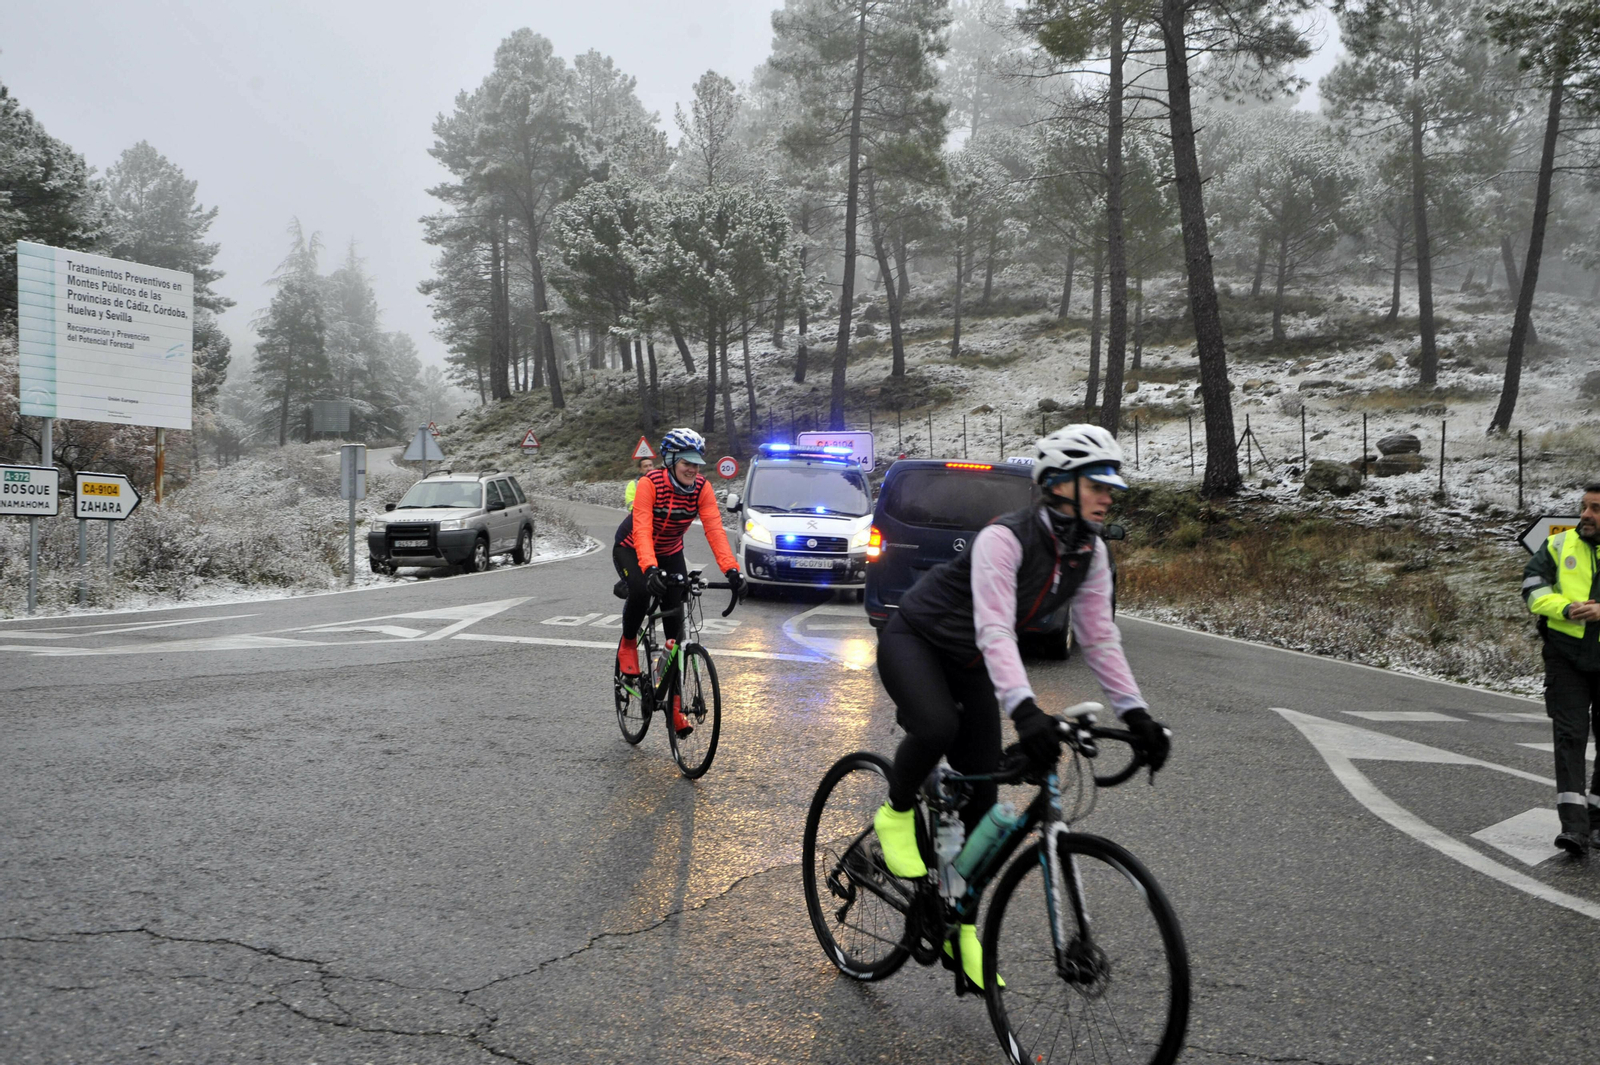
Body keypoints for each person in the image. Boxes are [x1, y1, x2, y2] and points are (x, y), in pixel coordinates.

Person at [870, 424, 1171, 989]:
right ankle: (895, 810)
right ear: (1058, 484)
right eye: (1099, 483)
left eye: (1113, 485)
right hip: (916, 639)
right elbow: (994, 633)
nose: (1111, 494)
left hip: (968, 664)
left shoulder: (1090, 552)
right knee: (936, 725)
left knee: (983, 803)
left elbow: (1100, 638)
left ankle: (959, 930)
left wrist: (1137, 715)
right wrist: (1027, 712)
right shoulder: (1004, 540)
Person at [614, 428, 744, 736]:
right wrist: (648, 570)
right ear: (671, 460)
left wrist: (732, 571)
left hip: (671, 551)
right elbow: (643, 530)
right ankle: (629, 644)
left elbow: (714, 530)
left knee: (676, 633)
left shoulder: (701, 488)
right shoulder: (650, 484)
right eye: (686, 461)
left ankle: (674, 709)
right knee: (640, 591)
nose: (693, 468)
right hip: (632, 548)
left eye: (697, 462)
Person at [1522, 485, 1600, 857]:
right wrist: (1566, 608)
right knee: (1570, 737)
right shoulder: (1558, 545)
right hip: (1565, 656)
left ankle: (1597, 816)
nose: (1585, 515)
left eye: (1596, 509)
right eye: (1584, 507)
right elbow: (1533, 587)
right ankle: (1574, 827)